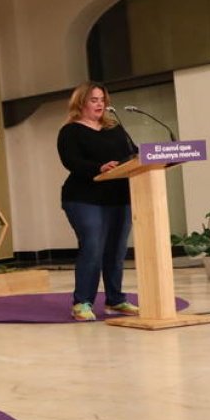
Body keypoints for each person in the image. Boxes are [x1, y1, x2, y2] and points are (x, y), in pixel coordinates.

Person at [57, 82, 140, 321]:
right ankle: (82, 303)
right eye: (94, 100)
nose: (100, 104)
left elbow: (133, 153)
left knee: (116, 250)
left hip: (119, 197)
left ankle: (116, 300)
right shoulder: (70, 131)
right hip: (84, 198)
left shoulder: (115, 128)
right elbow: (71, 161)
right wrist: (99, 168)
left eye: (102, 99)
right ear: (80, 103)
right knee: (93, 246)